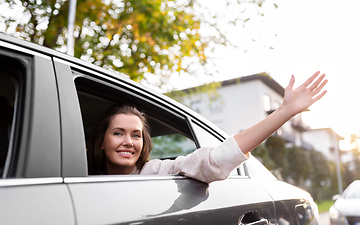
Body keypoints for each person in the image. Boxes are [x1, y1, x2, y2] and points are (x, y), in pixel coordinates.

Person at [87, 71, 327, 183]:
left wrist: (284, 112)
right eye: (118, 133)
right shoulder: (81, 177)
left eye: (136, 135)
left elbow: (218, 158)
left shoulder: (158, 172)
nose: (129, 141)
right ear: (101, 141)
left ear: (144, 143)